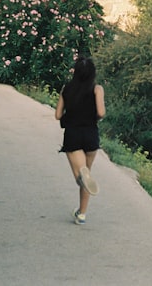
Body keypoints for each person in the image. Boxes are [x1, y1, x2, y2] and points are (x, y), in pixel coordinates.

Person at [54, 55, 106, 225]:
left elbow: (58, 115)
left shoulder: (67, 89)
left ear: (76, 72)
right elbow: (101, 113)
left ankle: (80, 176)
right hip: (91, 135)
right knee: (87, 173)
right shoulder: (97, 89)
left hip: (73, 135)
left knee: (81, 175)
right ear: (92, 73)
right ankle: (81, 214)